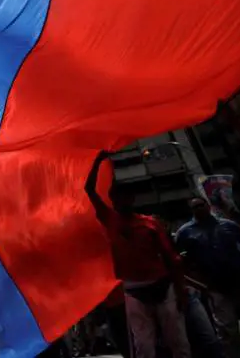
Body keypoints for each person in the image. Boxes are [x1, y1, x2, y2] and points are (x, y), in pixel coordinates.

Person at [85, 151, 190, 358]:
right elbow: (88, 189)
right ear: (113, 201)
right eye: (116, 198)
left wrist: (180, 290)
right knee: (143, 345)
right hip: (133, 290)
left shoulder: (150, 223)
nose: (121, 202)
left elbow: (171, 258)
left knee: (177, 339)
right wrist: (96, 161)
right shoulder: (110, 219)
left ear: (132, 199)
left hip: (161, 285)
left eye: (125, 197)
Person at [176, 197, 240, 358]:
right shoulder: (185, 233)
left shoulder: (229, 226)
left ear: (208, 206)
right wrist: (201, 284)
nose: (199, 209)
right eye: (195, 207)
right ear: (191, 210)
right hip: (216, 287)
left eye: (202, 205)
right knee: (228, 331)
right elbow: (183, 262)